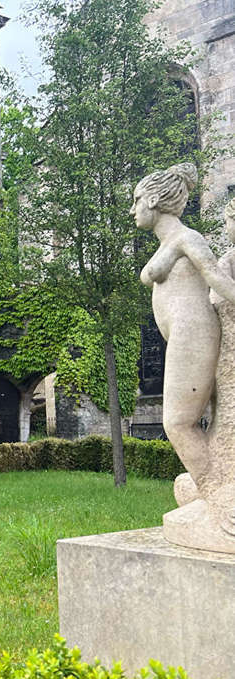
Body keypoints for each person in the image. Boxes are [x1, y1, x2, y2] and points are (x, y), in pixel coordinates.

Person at [134, 163, 235, 488]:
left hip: (194, 334)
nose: (132, 210)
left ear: (152, 200)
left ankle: (217, 497)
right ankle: (215, 491)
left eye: (136, 200)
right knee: (180, 423)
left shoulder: (188, 238)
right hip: (180, 336)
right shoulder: (170, 242)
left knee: (177, 423)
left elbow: (215, 276)